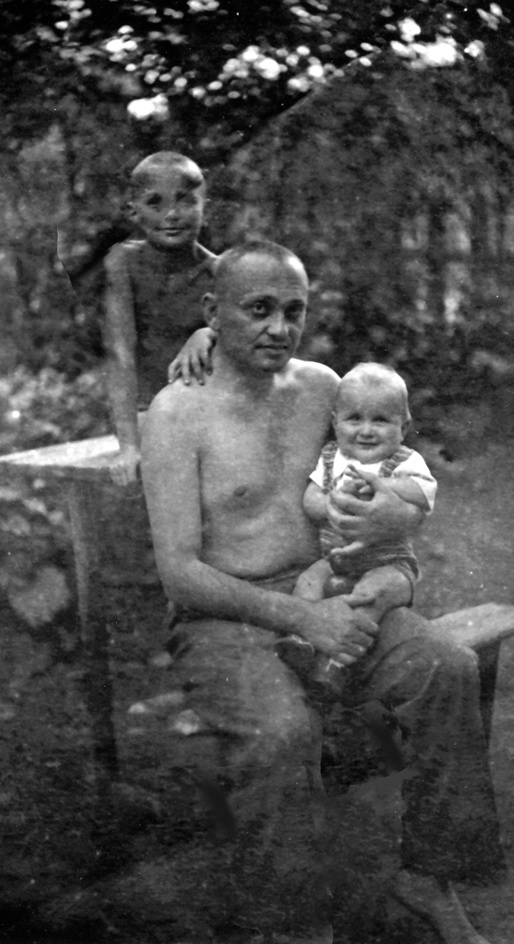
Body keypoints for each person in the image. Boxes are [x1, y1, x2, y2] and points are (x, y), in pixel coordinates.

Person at [142, 240, 502, 943]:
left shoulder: (321, 388)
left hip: (333, 589)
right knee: (284, 733)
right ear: (213, 312)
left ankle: (428, 877)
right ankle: (295, 926)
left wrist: (393, 521)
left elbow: (390, 463)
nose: (279, 327)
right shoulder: (176, 413)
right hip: (224, 615)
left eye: (293, 310)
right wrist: (302, 617)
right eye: (258, 309)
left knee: (449, 668)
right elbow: (179, 573)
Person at [279, 362, 437, 697]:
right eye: (354, 419)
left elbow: (425, 492)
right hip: (335, 558)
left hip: (388, 562)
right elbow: (310, 499)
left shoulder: (405, 462)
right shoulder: (331, 458)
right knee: (308, 581)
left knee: (369, 596)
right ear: (335, 422)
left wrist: (385, 485)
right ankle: (300, 640)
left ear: (404, 427)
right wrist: (331, 504)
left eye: (380, 420)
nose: (366, 431)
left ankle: (337, 662)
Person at [102, 151, 218, 485]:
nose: (172, 215)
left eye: (185, 201)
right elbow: (120, 353)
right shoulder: (123, 264)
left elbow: (244, 344)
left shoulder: (220, 271)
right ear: (133, 211)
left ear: (205, 206)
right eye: (155, 203)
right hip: (147, 414)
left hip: (210, 411)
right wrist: (128, 447)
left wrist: (207, 335)